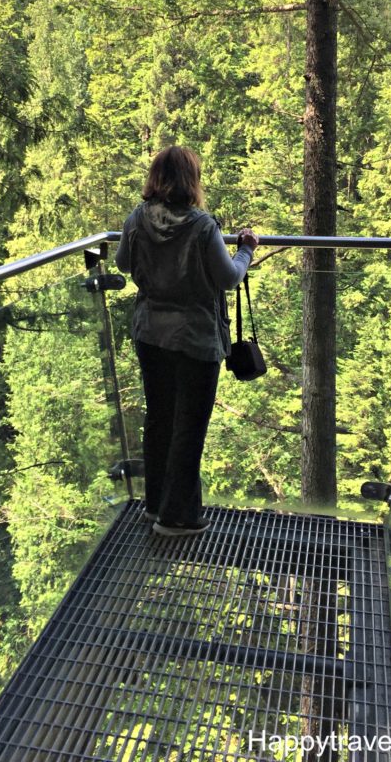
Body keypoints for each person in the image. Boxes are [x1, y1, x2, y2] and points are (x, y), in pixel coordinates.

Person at [115, 146, 259, 537]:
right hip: (195, 339)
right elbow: (229, 278)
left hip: (150, 334)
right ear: (191, 179)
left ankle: (155, 504)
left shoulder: (136, 218)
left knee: (159, 418)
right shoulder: (202, 226)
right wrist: (246, 249)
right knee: (189, 426)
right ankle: (177, 517)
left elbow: (123, 265)